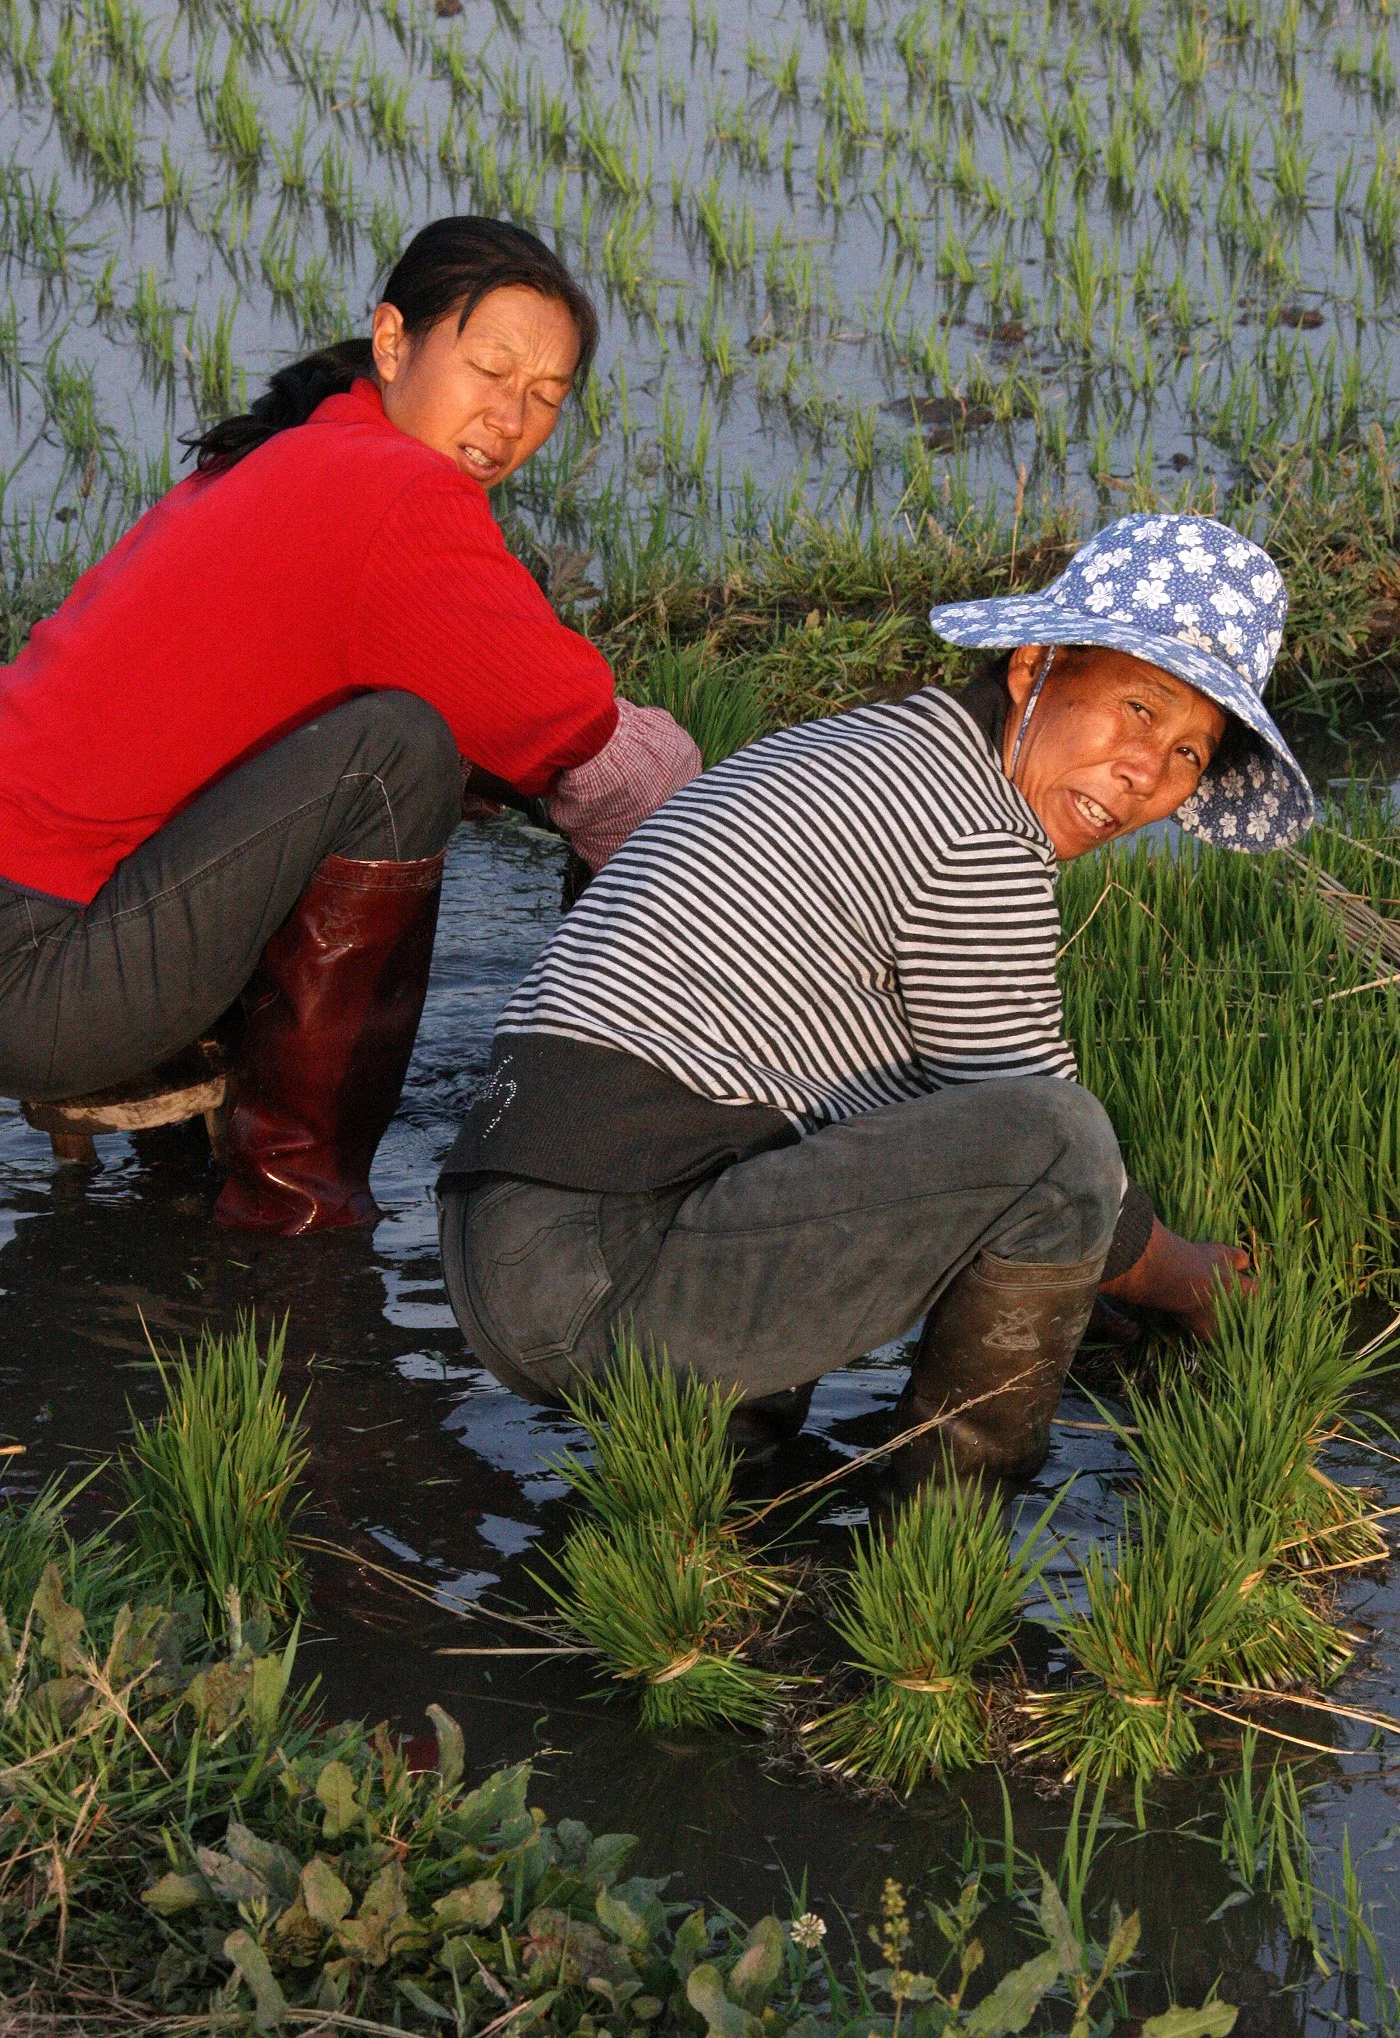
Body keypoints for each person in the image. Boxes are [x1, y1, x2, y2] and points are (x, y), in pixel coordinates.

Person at [436, 513, 1316, 1494]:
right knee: (1059, 1139)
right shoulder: (977, 836)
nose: (1147, 772)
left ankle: (726, 1498)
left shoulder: (884, 750)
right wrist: (1189, 1279)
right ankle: (951, 1521)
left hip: (512, 1234)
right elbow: (1051, 1156)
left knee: (853, 1115)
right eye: (1140, 710)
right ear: (1035, 667)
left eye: (1191, 753)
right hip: (599, 1265)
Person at [0, 218, 699, 1234]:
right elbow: (583, 734)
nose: (509, 419)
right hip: (39, 978)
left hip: (42, 915)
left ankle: (176, 1158)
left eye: (544, 399)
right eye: (489, 369)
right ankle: (295, 1211)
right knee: (397, 753)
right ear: (392, 342)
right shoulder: (397, 492)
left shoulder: (292, 450)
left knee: (373, 738)